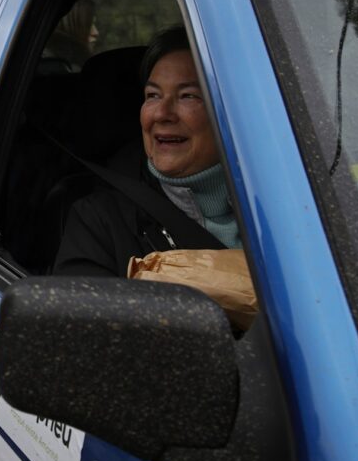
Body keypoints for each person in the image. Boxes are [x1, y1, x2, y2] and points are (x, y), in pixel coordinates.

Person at [53, 25, 241, 277]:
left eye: (187, 96)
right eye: (153, 95)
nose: (161, 114)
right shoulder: (99, 221)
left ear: (233, 112)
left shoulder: (289, 203)